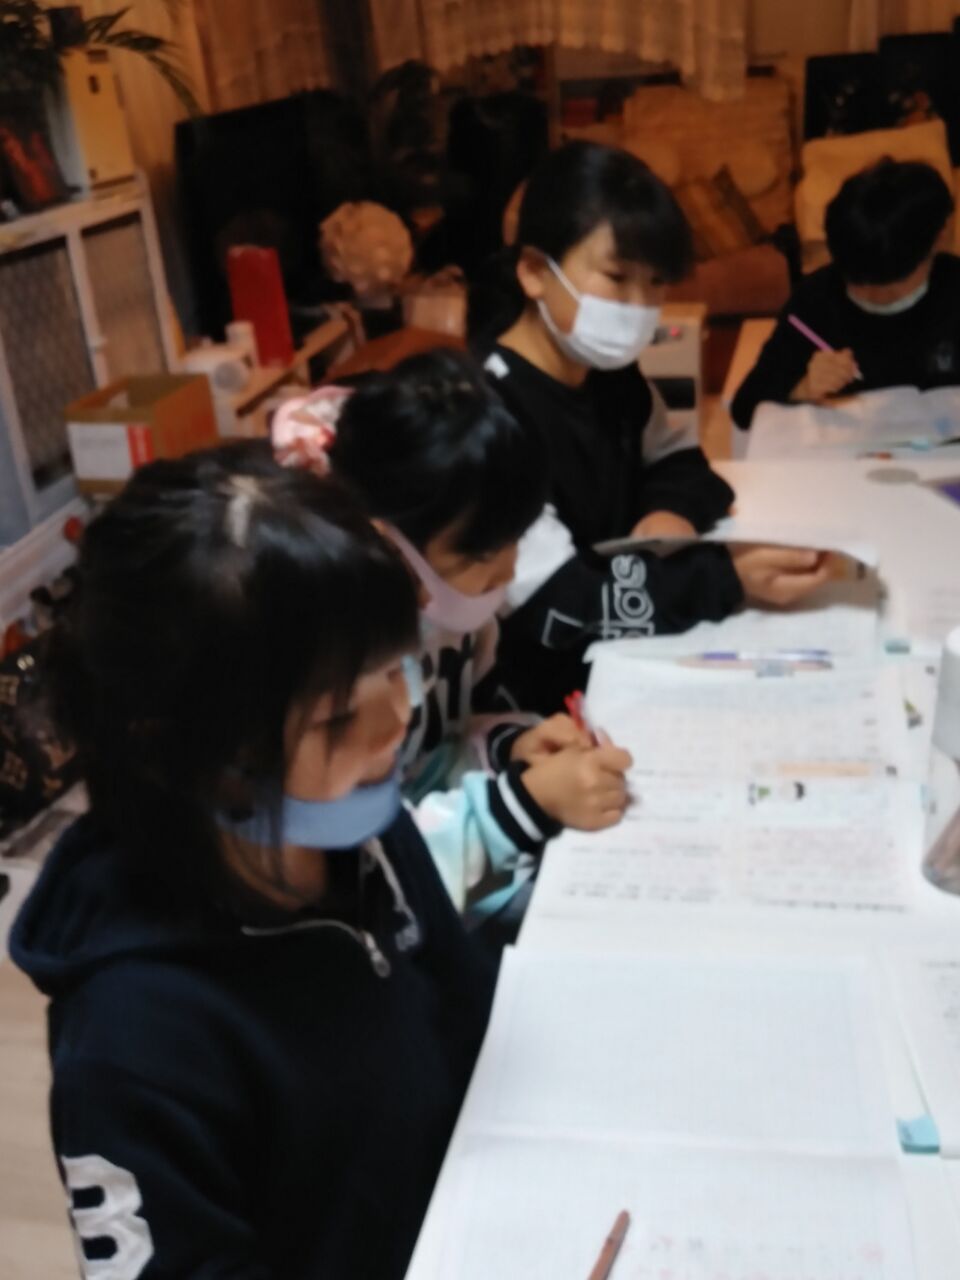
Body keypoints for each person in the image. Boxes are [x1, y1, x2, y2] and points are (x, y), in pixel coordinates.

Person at [10, 443, 493, 1280]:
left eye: (396, 669)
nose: (395, 725)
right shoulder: (136, 1046)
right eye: (336, 718)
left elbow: (465, 1012)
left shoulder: (356, 834)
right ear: (186, 754)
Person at [272, 350, 632, 931]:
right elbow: (366, 876)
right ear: (387, 545)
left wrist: (507, 748)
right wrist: (521, 807)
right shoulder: (330, 666)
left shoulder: (449, 608)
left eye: (518, 539)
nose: (508, 571)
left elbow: (431, 753)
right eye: (483, 555)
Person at [470, 140, 834, 712]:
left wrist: (669, 514)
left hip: (633, 646)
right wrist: (728, 579)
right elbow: (555, 603)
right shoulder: (487, 416)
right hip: (542, 700)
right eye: (617, 277)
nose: (639, 306)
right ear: (536, 272)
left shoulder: (608, 370)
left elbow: (680, 459)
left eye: (656, 283)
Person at [731, 158, 958, 429]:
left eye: (891, 286)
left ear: (938, 240)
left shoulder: (952, 289)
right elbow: (744, 408)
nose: (873, 296)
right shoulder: (815, 300)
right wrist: (801, 388)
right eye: (857, 281)